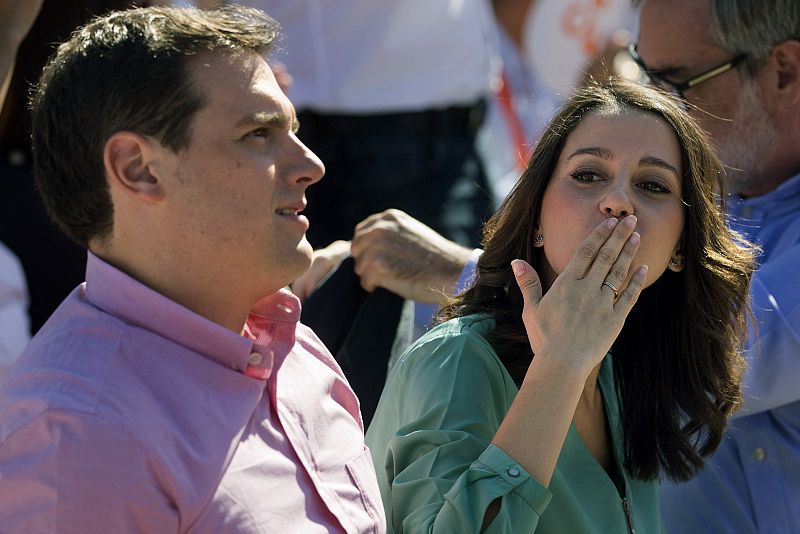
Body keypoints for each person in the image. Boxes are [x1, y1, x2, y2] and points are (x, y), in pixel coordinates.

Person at [0, 6, 385, 532]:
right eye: (258, 133)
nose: (311, 166)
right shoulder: (79, 436)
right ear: (138, 169)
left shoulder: (294, 348)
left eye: (292, 130)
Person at [365, 79, 755, 533]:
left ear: (681, 248)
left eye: (652, 185)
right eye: (588, 175)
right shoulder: (456, 357)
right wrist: (559, 369)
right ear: (536, 217)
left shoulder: (626, 371)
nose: (618, 202)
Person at [631, 1, 800, 532]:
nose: (657, 111)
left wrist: (468, 276)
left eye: (677, 83)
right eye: (644, 75)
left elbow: (728, 353)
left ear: (784, 70)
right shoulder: (674, 190)